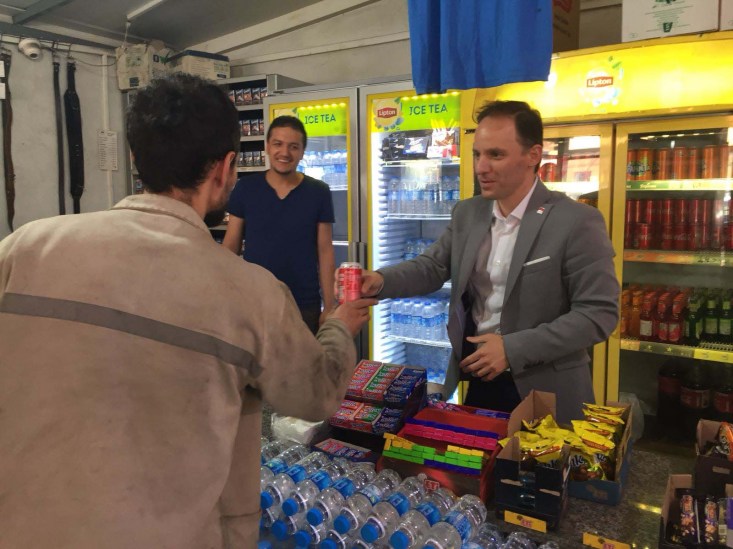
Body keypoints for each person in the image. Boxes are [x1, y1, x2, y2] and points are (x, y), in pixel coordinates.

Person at [0, 74, 375, 549]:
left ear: (135, 157)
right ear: (226, 168)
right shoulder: (250, 293)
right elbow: (315, 396)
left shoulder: (26, 247)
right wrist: (339, 325)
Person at [361, 100, 619, 423]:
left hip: (546, 387)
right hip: (479, 377)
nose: (481, 167)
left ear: (533, 155)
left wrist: (512, 348)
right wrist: (379, 281)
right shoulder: (468, 213)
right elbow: (432, 267)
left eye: (496, 155)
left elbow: (599, 313)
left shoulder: (576, 221)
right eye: (477, 154)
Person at [223, 115, 335, 334]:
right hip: (255, 302)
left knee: (305, 358)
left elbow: (325, 252)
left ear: (302, 152)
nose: (285, 153)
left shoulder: (318, 192)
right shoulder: (245, 188)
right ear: (267, 146)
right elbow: (230, 247)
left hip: (304, 304)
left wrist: (330, 306)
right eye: (278, 144)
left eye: (293, 146)